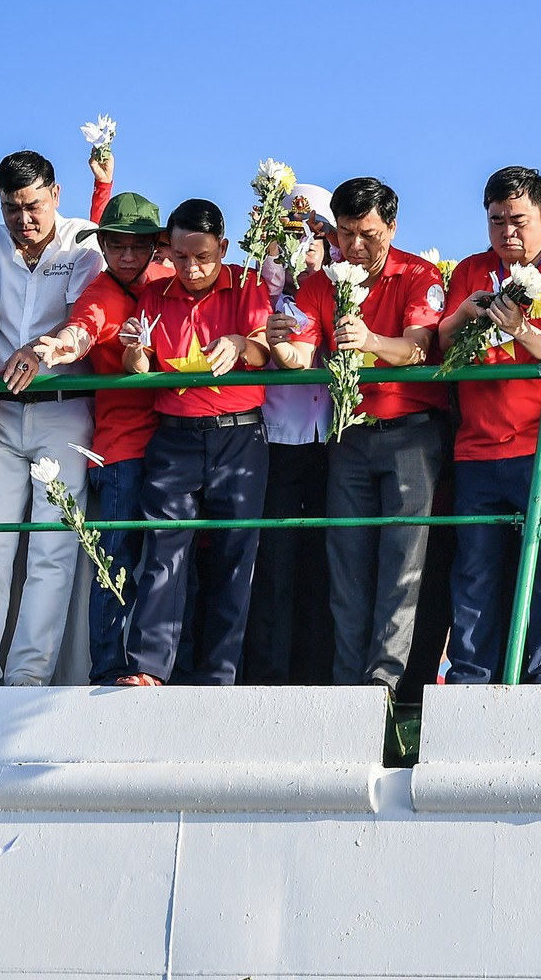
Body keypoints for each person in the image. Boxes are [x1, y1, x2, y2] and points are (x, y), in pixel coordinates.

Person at [116, 199, 307, 686]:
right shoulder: (155, 294)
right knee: (163, 553)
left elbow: (267, 348)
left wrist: (242, 344)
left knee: (234, 557)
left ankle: (220, 677)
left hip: (239, 436)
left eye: (203, 256)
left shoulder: (246, 282)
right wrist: (135, 350)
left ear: (223, 247)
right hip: (173, 438)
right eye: (180, 257)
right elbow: (137, 366)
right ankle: (150, 669)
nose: (192, 268)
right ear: (169, 251)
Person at [272, 177, 447, 693]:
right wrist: (278, 342)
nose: (354, 246)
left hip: (412, 432)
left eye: (367, 233)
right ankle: (350, 683)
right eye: (345, 232)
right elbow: (303, 356)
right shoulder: (320, 283)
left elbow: (418, 348)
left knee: (403, 566)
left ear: (391, 227)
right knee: (345, 563)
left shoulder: (419, 273)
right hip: (347, 435)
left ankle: (384, 683)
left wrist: (370, 339)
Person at [0, 151, 103, 687]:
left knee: (53, 548)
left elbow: (81, 318)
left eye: (33, 204)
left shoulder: (86, 240)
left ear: (56, 194)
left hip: (65, 412)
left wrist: (41, 354)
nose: (24, 219)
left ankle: (28, 678)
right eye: (11, 207)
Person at [438, 166, 541, 684]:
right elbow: (439, 345)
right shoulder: (469, 272)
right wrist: (462, 315)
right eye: (497, 220)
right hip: (475, 447)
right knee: (474, 571)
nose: (508, 232)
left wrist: (519, 329)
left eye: (519, 220)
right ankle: (469, 676)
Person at [21, 191, 171, 684]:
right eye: (115, 245)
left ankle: (165, 668)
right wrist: (62, 348)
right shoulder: (100, 293)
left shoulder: (171, 281)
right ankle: (109, 671)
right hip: (121, 451)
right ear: (102, 245)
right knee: (115, 563)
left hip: (180, 446)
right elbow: (83, 329)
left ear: (156, 246)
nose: (126, 256)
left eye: (138, 245)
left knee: (172, 563)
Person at [245, 183, 336, 686]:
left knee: (328, 563)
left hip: (334, 441)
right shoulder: (258, 289)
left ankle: (319, 677)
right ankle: (268, 678)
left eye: (313, 235)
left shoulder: (344, 286)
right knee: (274, 565)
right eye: (291, 234)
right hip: (275, 440)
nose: (303, 246)